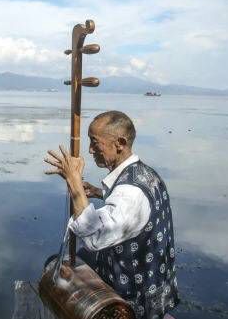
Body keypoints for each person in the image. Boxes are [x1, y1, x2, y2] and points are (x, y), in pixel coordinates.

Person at [44, 110, 179, 319]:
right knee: (76, 259)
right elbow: (126, 205)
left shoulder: (130, 194)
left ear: (120, 143)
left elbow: (95, 237)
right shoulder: (143, 172)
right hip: (155, 282)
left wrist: (75, 182)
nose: (90, 150)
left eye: (95, 142)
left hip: (135, 299)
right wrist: (98, 192)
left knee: (60, 264)